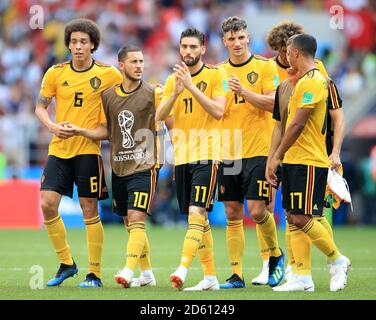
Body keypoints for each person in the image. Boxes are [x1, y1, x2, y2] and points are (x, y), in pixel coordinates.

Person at [35, 18, 123, 288]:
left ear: (93, 45)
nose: (78, 46)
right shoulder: (55, 73)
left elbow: (125, 99)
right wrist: (52, 126)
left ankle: (94, 274)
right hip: (59, 150)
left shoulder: (109, 74)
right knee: (47, 204)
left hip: (88, 150)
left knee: (89, 209)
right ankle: (66, 263)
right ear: (68, 45)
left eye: (83, 41)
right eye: (73, 41)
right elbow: (40, 107)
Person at [69, 45, 161, 288]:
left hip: (145, 164)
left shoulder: (153, 92)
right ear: (121, 65)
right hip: (119, 167)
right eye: (134, 62)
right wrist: (82, 131)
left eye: (141, 61)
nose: (139, 66)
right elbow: (106, 131)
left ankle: (128, 271)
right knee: (129, 223)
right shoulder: (108, 96)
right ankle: (148, 274)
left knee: (137, 218)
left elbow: (167, 120)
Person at [266, 34, 351, 292]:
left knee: (304, 217)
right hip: (294, 159)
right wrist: (279, 158)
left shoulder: (315, 81)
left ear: (295, 52)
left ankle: (337, 260)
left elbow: (298, 123)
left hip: (309, 160)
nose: (285, 57)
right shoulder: (299, 82)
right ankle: (302, 277)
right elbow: (284, 124)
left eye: (287, 52)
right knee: (292, 217)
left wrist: (277, 155)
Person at [156, 27, 227, 291]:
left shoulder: (215, 74)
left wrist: (191, 87)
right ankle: (210, 277)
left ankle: (183, 268)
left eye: (193, 47)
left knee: (197, 212)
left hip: (208, 154)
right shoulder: (173, 79)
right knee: (197, 219)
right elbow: (159, 116)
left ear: (203, 49)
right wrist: (175, 91)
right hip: (183, 157)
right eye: (184, 47)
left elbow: (218, 111)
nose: (187, 51)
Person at [216, 16, 284, 289]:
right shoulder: (218, 71)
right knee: (233, 212)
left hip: (260, 150)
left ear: (248, 37)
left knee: (257, 211)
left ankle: (274, 258)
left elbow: (275, 103)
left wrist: (244, 91)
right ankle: (236, 274)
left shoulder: (265, 67)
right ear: (224, 41)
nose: (237, 43)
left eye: (241, 37)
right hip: (229, 151)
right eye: (231, 38)